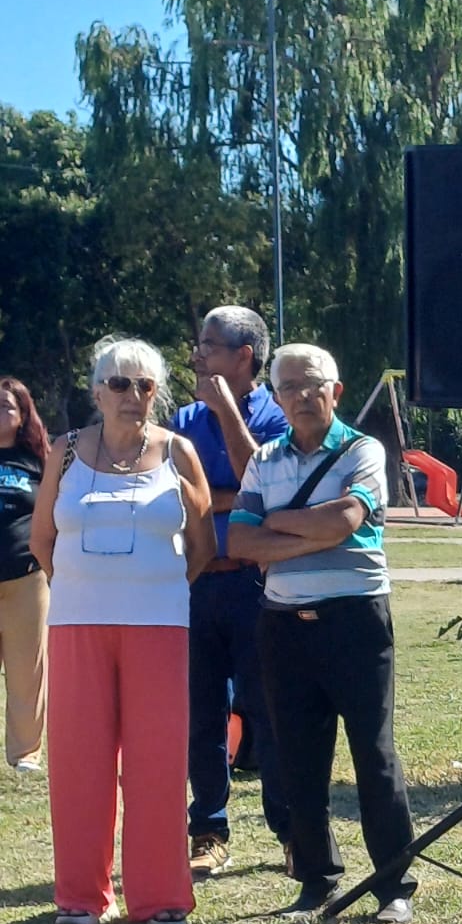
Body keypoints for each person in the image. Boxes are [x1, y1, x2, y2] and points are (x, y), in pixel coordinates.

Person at [227, 343, 418, 924]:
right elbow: (240, 542)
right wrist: (313, 532)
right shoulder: (264, 458)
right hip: (284, 626)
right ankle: (316, 883)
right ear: (277, 397)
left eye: (313, 384)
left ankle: (394, 888)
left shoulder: (363, 450)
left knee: (374, 754)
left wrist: (278, 522)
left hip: (355, 621)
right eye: (289, 386)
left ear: (335, 391)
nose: (302, 395)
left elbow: (347, 519)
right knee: (296, 757)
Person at [30, 337, 215, 924]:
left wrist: (153, 587)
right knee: (78, 762)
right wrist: (83, 585)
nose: (132, 395)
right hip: (76, 625)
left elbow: (203, 546)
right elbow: (42, 540)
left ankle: (160, 898)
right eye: (119, 384)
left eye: (145, 385)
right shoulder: (63, 451)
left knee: (157, 762)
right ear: (97, 392)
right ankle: (80, 897)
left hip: (158, 627)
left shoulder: (180, 452)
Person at [173, 306, 290, 880]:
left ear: (244, 356)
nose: (197, 355)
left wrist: (225, 415)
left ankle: (290, 832)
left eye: (209, 345)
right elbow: (178, 495)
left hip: (254, 583)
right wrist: (228, 497)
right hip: (197, 582)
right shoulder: (182, 418)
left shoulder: (277, 417)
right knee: (202, 714)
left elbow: (264, 486)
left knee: (269, 710)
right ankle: (209, 829)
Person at [0, 379, 51, 772]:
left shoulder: (38, 461)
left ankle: (25, 753)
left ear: (22, 416)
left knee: (27, 670)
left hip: (26, 578)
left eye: (7, 406)